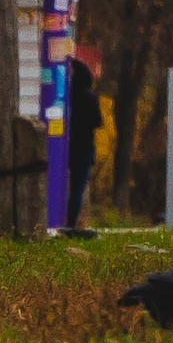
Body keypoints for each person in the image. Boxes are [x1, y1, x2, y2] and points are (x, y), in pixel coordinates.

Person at [66, 55, 102, 228]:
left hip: (67, 145)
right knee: (78, 187)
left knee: (62, 182)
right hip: (84, 147)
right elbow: (98, 121)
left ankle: (58, 215)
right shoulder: (90, 97)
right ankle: (72, 220)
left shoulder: (67, 96)